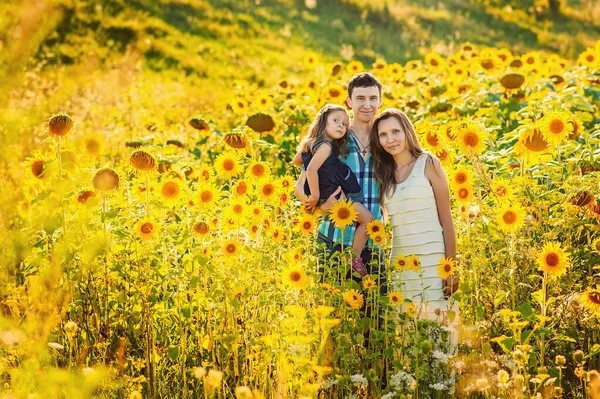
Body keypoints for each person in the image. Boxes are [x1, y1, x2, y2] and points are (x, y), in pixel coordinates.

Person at [293, 72, 385, 287]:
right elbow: (304, 182)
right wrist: (320, 206)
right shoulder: (333, 138)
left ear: (380, 101)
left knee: (375, 317)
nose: (367, 104)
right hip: (333, 239)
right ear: (349, 101)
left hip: (372, 241)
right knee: (331, 314)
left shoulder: (386, 140)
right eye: (360, 98)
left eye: (372, 98)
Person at [370, 108, 459, 320]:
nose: (390, 139)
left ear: (407, 131)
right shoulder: (382, 173)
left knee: (438, 330)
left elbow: (446, 219)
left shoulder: (428, 163)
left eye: (395, 131)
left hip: (433, 261)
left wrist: (451, 268)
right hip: (401, 263)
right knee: (407, 331)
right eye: (383, 135)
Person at [294, 104, 374, 266]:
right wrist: (316, 195)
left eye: (344, 124)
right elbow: (311, 169)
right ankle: (354, 259)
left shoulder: (311, 144)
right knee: (368, 220)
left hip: (329, 192)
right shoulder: (325, 146)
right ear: (323, 122)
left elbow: (297, 161)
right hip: (337, 194)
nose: (340, 125)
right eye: (335, 120)